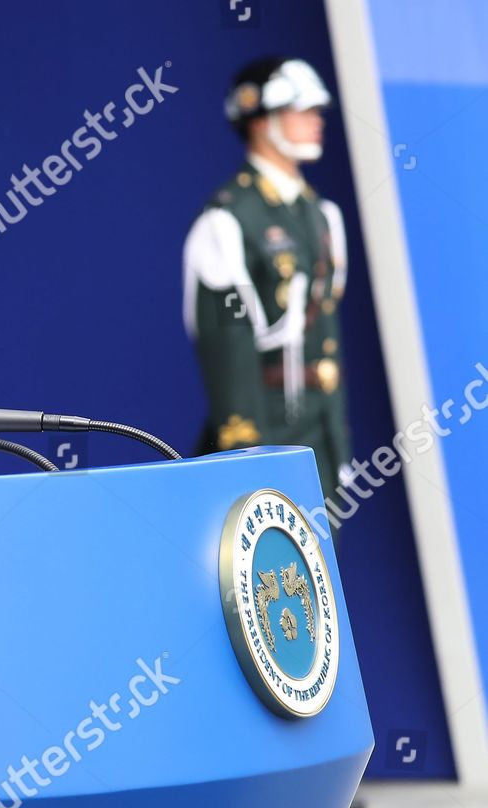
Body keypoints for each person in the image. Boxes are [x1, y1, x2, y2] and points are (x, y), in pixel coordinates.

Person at [183, 57, 353, 498]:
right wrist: (248, 457)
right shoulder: (230, 220)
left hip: (322, 432)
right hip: (271, 436)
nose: (317, 121)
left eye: (317, 111)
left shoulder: (321, 215)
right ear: (260, 120)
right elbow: (230, 350)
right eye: (302, 110)